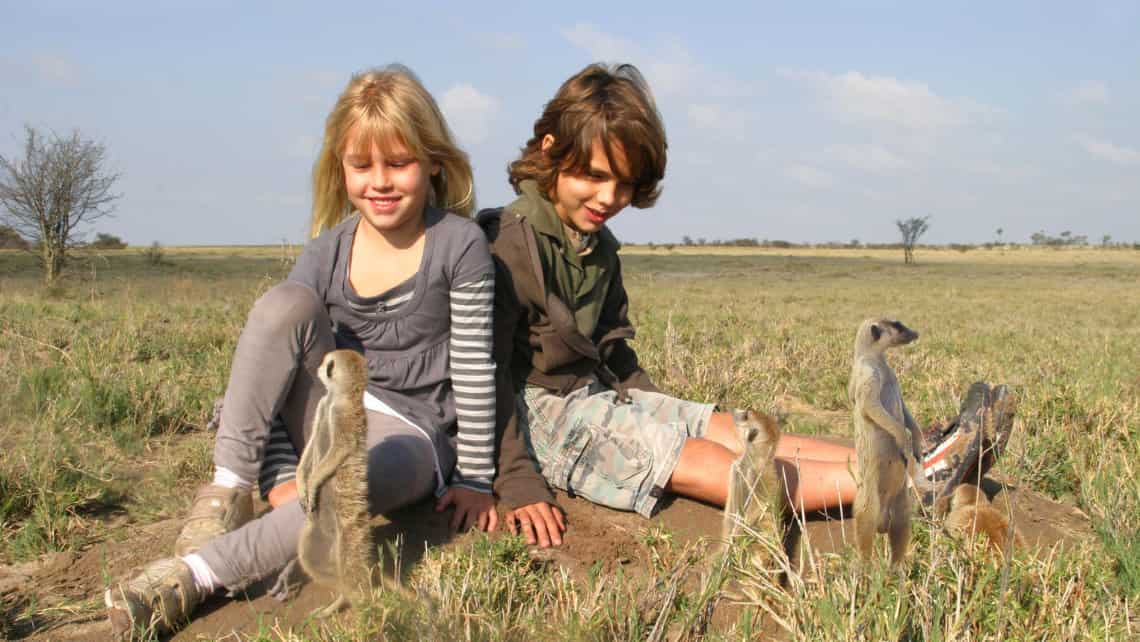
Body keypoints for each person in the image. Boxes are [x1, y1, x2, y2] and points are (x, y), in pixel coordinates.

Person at [480, 63, 1007, 549]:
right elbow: (486, 375)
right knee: (703, 458)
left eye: (625, 184)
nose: (607, 198)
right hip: (537, 417)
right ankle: (903, 485)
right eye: (593, 176)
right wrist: (516, 479)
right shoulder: (507, 241)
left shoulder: (600, 247)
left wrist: (666, 412)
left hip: (599, 393)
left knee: (732, 429)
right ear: (550, 150)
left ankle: (914, 462)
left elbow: (613, 349)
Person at [104, 65, 501, 637]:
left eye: (399, 163)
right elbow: (273, 376)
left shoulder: (459, 245)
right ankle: (227, 493)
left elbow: (472, 368)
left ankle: (192, 577)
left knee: (352, 484)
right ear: (340, 169)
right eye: (361, 165)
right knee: (283, 304)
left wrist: (477, 480)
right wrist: (280, 472)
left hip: (413, 435)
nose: (380, 182)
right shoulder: (326, 250)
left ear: (435, 161)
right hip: (330, 411)